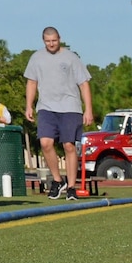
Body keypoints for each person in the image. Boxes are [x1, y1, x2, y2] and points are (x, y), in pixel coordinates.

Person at [22, 26, 92, 201]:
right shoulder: (36, 58)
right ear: (43, 40)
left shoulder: (71, 57)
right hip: (46, 106)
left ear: (59, 39)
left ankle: (71, 187)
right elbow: (31, 82)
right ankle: (58, 180)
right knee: (46, 143)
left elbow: (84, 84)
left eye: (54, 40)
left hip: (70, 106)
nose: (51, 44)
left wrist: (88, 109)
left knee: (68, 145)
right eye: (48, 41)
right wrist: (29, 105)